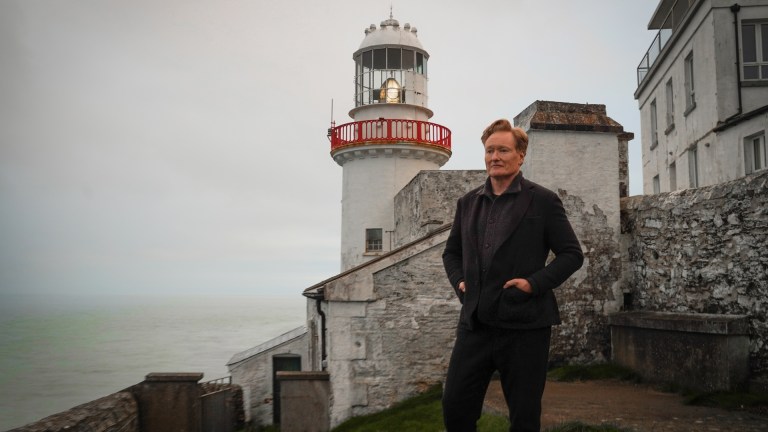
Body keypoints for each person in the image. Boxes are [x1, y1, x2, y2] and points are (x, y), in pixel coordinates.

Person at [441, 119, 584, 431]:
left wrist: (533, 284)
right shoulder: (467, 203)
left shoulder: (544, 200)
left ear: (521, 155)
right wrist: (460, 283)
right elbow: (451, 253)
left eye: (503, 150)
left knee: (524, 416)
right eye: (490, 150)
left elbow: (572, 255)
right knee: (455, 407)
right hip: (475, 324)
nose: (495, 156)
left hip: (525, 326)